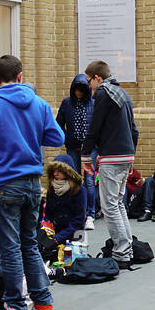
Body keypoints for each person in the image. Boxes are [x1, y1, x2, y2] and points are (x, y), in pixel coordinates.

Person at [0, 53, 64, 310]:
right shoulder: (40, 104)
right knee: (30, 244)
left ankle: (15, 309)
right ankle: (44, 305)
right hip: (33, 185)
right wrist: (30, 137)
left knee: (10, 249)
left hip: (5, 185)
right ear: (21, 76)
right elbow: (57, 137)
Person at [80, 60, 140, 269]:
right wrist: (130, 154)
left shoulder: (104, 93)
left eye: (89, 81)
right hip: (125, 155)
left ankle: (122, 252)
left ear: (97, 77)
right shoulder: (123, 94)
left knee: (109, 207)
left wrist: (85, 154)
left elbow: (94, 126)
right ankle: (127, 247)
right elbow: (134, 130)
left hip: (113, 157)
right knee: (118, 204)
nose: (89, 86)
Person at [55, 73, 98, 230]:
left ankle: (90, 215)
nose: (78, 93)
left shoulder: (93, 104)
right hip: (73, 147)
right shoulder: (67, 103)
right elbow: (59, 124)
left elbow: (97, 127)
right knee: (73, 180)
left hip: (90, 149)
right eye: (76, 89)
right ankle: (75, 212)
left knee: (89, 180)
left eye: (81, 90)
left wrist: (96, 146)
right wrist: (66, 139)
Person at [42, 153, 88, 249]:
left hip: (75, 234)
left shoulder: (79, 190)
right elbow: (48, 214)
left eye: (59, 171)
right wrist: (47, 230)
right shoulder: (52, 188)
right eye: (54, 171)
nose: (55, 174)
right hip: (55, 233)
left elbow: (79, 220)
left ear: (67, 172)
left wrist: (58, 238)